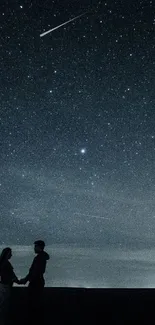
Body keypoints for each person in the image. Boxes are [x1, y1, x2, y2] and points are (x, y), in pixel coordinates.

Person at [19, 240, 50, 323]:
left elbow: (34, 271)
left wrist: (25, 279)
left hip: (36, 283)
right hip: (38, 282)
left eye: (35, 246)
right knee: (37, 302)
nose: (34, 248)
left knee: (33, 303)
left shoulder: (39, 258)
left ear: (39, 247)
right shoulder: (42, 257)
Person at [0, 247, 20, 324]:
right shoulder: (6, 264)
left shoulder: (3, 263)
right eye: (10, 253)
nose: (11, 255)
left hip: (3, 286)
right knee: (4, 307)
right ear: (6, 254)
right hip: (5, 287)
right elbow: (11, 275)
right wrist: (18, 281)